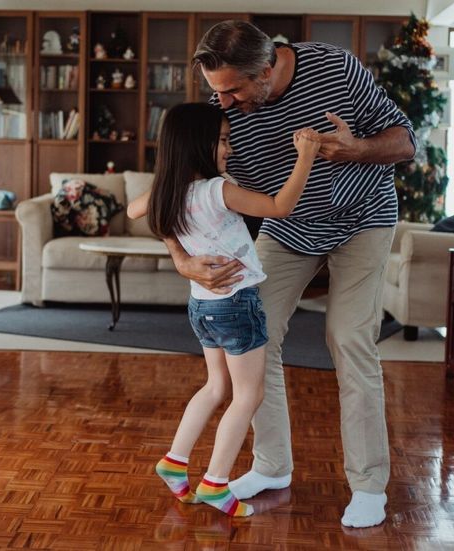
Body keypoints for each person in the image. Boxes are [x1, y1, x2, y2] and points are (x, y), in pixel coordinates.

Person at [162, 21, 418, 528]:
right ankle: (272, 467)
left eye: (234, 90)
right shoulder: (222, 101)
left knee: (348, 338)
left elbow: (406, 142)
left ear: (267, 69)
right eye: (218, 92)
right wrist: (181, 259)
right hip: (287, 226)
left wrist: (357, 150)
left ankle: (368, 485)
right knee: (254, 341)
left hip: (361, 218)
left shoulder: (336, 69)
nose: (225, 104)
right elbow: (174, 186)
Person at [127, 102, 321, 517]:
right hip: (237, 304)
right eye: (223, 140)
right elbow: (280, 207)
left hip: (203, 306)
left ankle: (175, 461)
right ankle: (216, 482)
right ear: (198, 144)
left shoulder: (169, 190)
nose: (229, 149)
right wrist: (305, 157)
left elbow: (131, 209)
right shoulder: (218, 190)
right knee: (248, 395)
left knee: (216, 387)